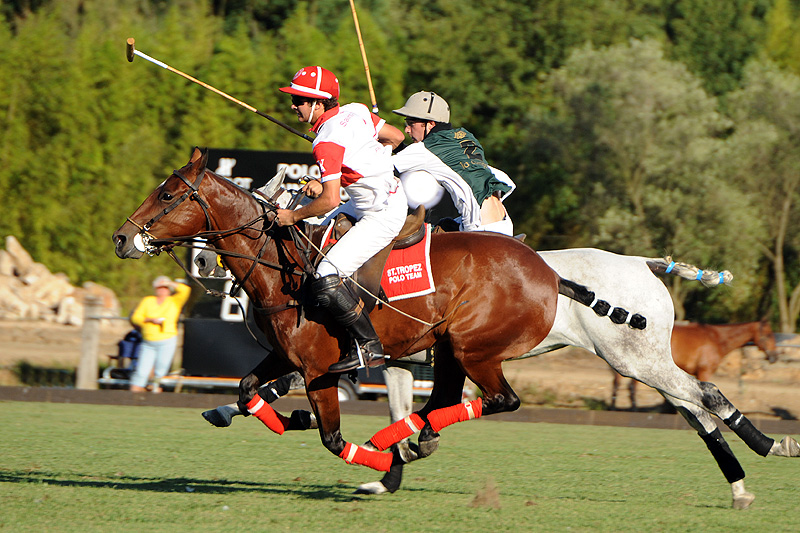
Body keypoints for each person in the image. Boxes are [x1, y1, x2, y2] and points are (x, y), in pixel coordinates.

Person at [275, 65, 408, 373]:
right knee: (315, 236)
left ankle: (369, 347)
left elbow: (330, 200)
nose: (293, 105)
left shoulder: (325, 143)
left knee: (324, 275)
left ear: (319, 103)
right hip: (382, 198)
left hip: (380, 214)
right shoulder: (356, 111)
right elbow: (396, 136)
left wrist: (292, 215)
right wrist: (374, 160)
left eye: (299, 100)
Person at [392, 91, 515, 236]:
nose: (406, 129)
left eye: (411, 123)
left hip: (480, 229)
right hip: (504, 224)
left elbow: (375, 168)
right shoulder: (464, 137)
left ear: (430, 124)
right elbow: (433, 159)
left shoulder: (427, 148)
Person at [129, 276, 190, 393]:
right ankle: (133, 396)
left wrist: (170, 282)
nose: (162, 290)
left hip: (166, 341)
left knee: (160, 372)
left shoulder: (174, 301)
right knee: (141, 371)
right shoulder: (148, 301)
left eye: (165, 288)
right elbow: (136, 317)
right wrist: (149, 319)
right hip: (148, 341)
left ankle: (155, 395)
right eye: (159, 287)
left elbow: (185, 290)